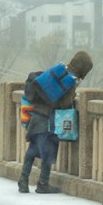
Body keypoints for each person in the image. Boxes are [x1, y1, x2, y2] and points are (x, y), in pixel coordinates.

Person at [18, 50, 92, 194]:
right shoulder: (70, 81)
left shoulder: (58, 70)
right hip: (49, 121)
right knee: (48, 153)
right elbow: (64, 104)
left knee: (32, 150)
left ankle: (23, 180)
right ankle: (42, 184)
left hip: (35, 117)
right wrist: (72, 96)